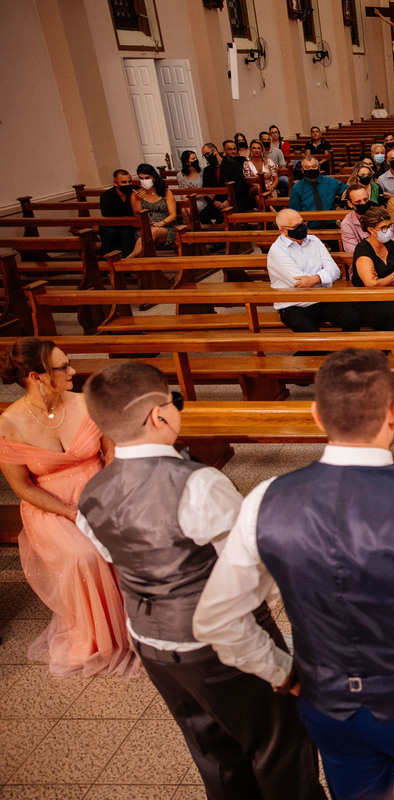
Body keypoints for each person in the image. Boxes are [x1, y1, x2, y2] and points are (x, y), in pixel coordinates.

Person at [193, 348, 394, 800]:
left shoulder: (266, 499)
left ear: (315, 415)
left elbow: (216, 621)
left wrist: (284, 673)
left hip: (328, 707)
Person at [76, 362, 326, 800]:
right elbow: (250, 575)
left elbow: (116, 557)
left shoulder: (92, 493)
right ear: (158, 415)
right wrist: (281, 669)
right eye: (176, 400)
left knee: (214, 754)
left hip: (151, 645)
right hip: (219, 647)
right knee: (280, 747)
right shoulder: (198, 484)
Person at [0, 338, 139, 678]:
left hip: (100, 492)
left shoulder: (88, 403)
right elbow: (22, 487)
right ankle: (103, 640)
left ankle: (145, 626)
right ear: (37, 376)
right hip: (51, 508)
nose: (73, 371)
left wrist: (105, 499)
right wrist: (71, 512)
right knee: (84, 555)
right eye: (63, 367)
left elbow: (112, 456)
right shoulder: (10, 424)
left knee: (133, 538)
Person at [267, 208, 361, 333]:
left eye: (303, 223)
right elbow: (298, 281)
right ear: (283, 231)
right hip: (294, 305)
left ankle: (347, 351)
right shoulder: (277, 250)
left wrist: (315, 279)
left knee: (352, 318)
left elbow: (334, 270)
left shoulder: (314, 240)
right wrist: (324, 276)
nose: (302, 227)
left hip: (322, 298)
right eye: (296, 226)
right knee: (311, 335)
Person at [130, 163, 178, 256]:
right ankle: (137, 261)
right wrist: (137, 199)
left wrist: (161, 223)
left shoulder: (165, 192)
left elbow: (173, 215)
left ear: (154, 177)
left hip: (164, 228)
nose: (144, 181)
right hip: (144, 229)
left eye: (147, 178)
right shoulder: (136, 195)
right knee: (147, 233)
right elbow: (137, 215)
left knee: (153, 231)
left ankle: (132, 256)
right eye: (141, 178)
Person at [289, 156, 347, 228]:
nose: (311, 169)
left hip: (330, 226)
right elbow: (293, 211)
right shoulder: (297, 188)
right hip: (308, 229)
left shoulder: (331, 182)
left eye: (314, 166)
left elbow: (348, 191)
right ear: (302, 170)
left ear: (319, 168)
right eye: (307, 167)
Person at [98, 168, 137, 256]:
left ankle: (126, 262)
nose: (128, 184)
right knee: (109, 233)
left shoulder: (135, 191)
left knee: (126, 232)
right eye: (124, 182)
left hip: (130, 225)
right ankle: (104, 263)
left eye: (129, 182)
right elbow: (107, 217)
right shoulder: (107, 196)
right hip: (112, 225)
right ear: (115, 183)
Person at [340, 185, 375, 253]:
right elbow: (353, 251)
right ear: (350, 204)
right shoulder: (347, 224)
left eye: (365, 199)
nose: (363, 203)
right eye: (358, 202)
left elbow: (390, 242)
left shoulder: (380, 216)